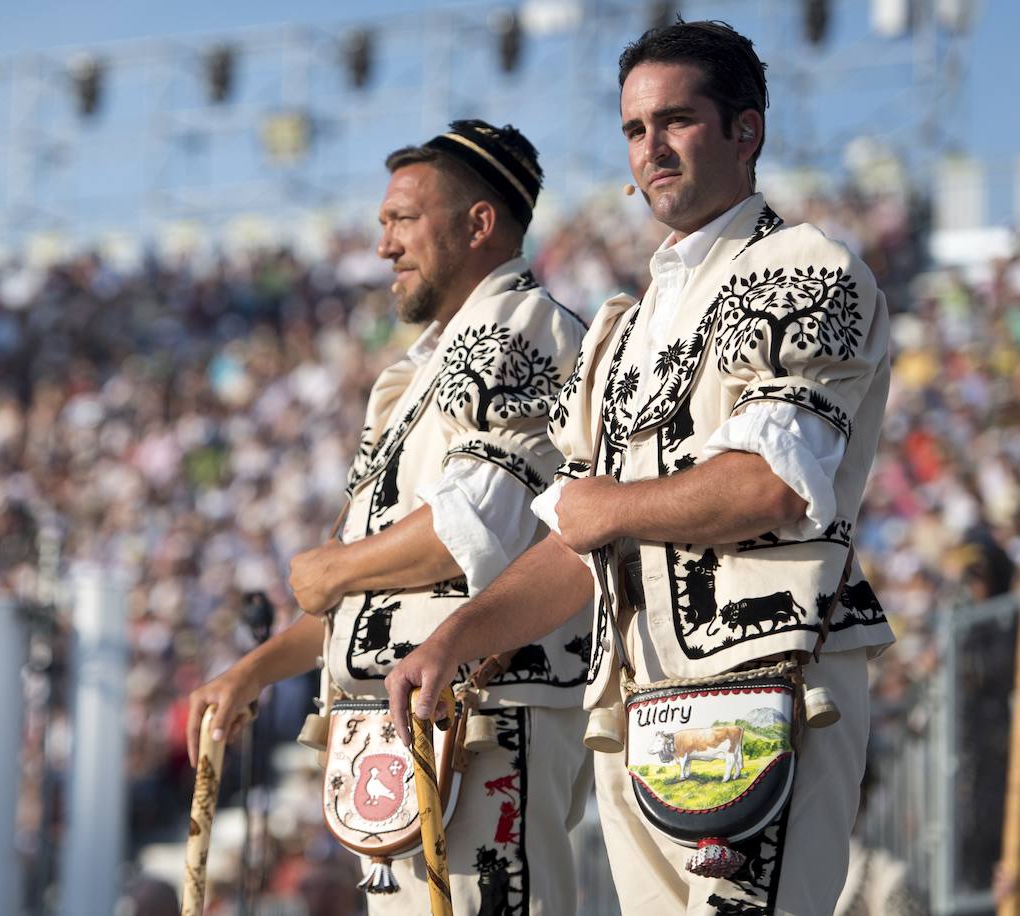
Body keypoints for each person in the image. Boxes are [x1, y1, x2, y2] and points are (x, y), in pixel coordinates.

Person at [387, 21, 895, 916]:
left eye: (677, 121)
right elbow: (572, 536)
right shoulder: (623, 327)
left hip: (764, 683)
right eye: (633, 130)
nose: (650, 149)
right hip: (633, 705)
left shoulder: (804, 268)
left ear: (748, 131)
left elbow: (770, 483)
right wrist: (455, 640)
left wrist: (605, 508)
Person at [187, 120, 593, 913]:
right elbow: (367, 590)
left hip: (483, 718)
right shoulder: (412, 375)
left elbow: (469, 528)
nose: (385, 247)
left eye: (403, 220)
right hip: (403, 726)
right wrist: (253, 673)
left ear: (479, 224)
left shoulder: (518, 325)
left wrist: (333, 566)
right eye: (382, 225)